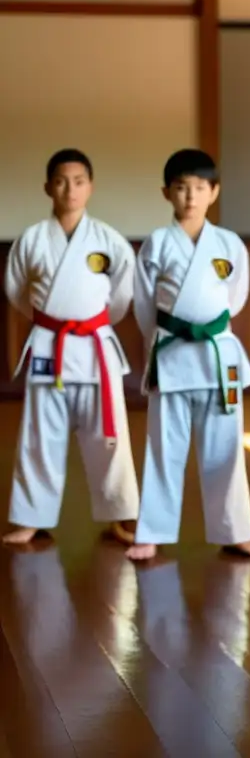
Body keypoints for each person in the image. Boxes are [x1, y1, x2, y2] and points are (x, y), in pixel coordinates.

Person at [125, 149, 250, 561]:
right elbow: (144, 305)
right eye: (182, 187)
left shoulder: (229, 244)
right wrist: (167, 338)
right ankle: (152, 531)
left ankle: (235, 530)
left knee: (225, 448)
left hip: (217, 356)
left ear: (213, 192)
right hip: (172, 354)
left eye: (199, 188)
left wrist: (206, 327)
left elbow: (234, 299)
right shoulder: (157, 243)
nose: (190, 196)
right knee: (163, 448)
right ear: (167, 192)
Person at [2, 149, 139, 546]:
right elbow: (16, 290)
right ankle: (31, 516)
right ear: (48, 187)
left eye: (79, 181)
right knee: (39, 434)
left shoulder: (108, 240)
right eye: (61, 181)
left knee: (109, 436)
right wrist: (53, 319)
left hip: (95, 346)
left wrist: (88, 321)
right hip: (49, 345)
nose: (70, 189)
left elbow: (121, 296)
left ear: (90, 187)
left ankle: (122, 514)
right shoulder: (31, 240)